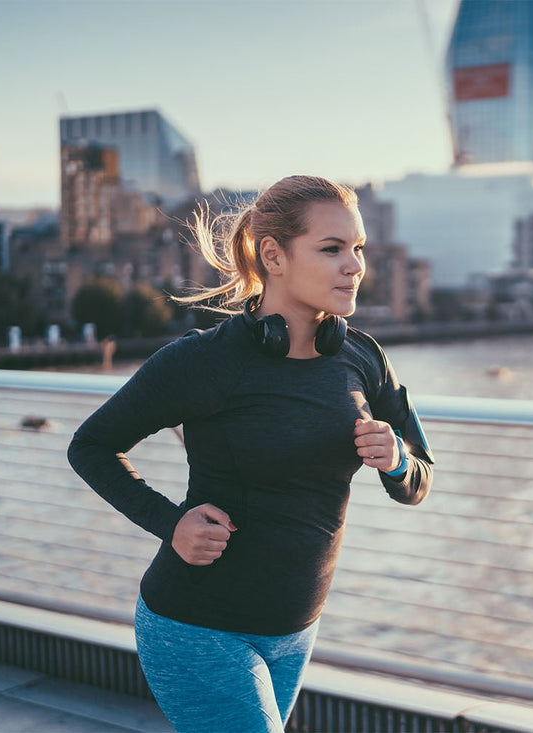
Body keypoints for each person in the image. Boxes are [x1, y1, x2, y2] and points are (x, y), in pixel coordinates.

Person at [67, 174, 434, 732]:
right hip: (197, 628)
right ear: (274, 256)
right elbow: (90, 446)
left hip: (295, 633)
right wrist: (172, 524)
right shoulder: (203, 361)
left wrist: (397, 460)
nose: (355, 266)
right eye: (332, 249)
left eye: (358, 248)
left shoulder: (363, 357)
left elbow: (420, 475)